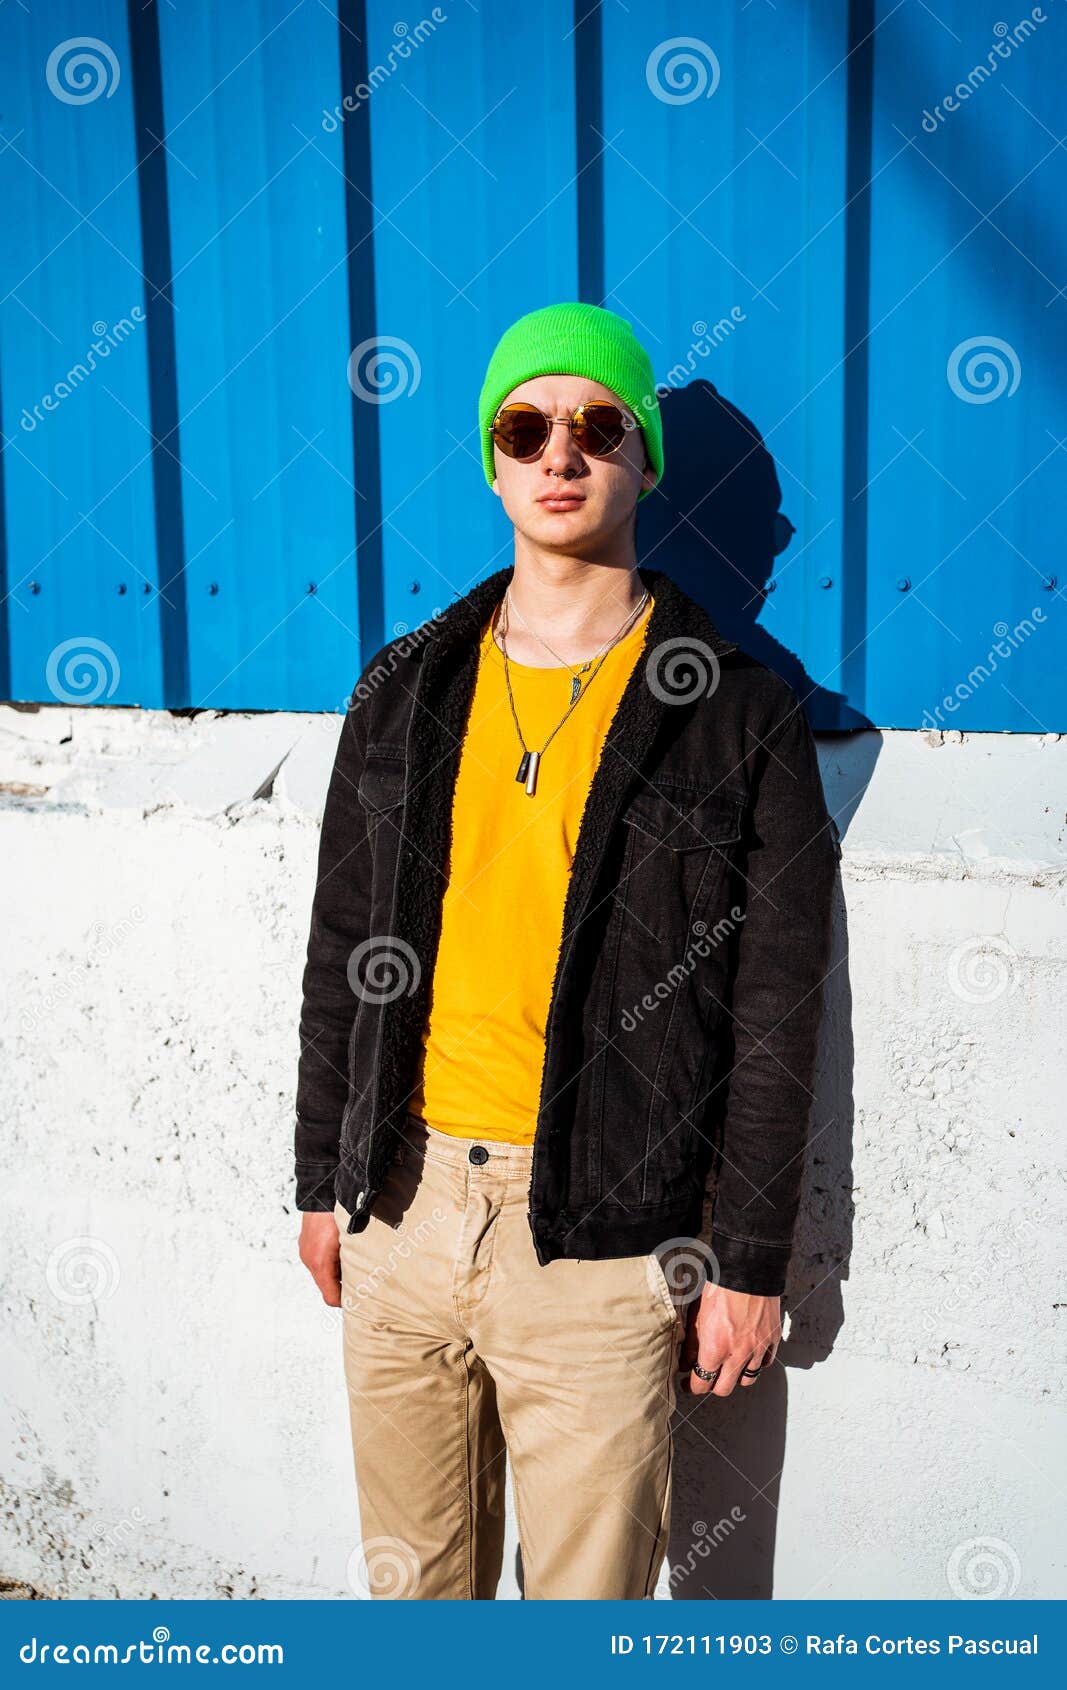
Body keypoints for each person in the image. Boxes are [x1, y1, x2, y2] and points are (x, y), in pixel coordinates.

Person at [294, 302, 838, 1600]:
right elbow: (338, 949)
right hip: (405, 1210)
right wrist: (325, 1177)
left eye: (599, 425)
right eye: (524, 426)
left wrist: (750, 1261)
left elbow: (776, 1009)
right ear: (491, 460)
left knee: (578, 1624)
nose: (560, 453)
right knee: (414, 1602)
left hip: (603, 1242)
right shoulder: (406, 686)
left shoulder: (740, 713)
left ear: (641, 459)